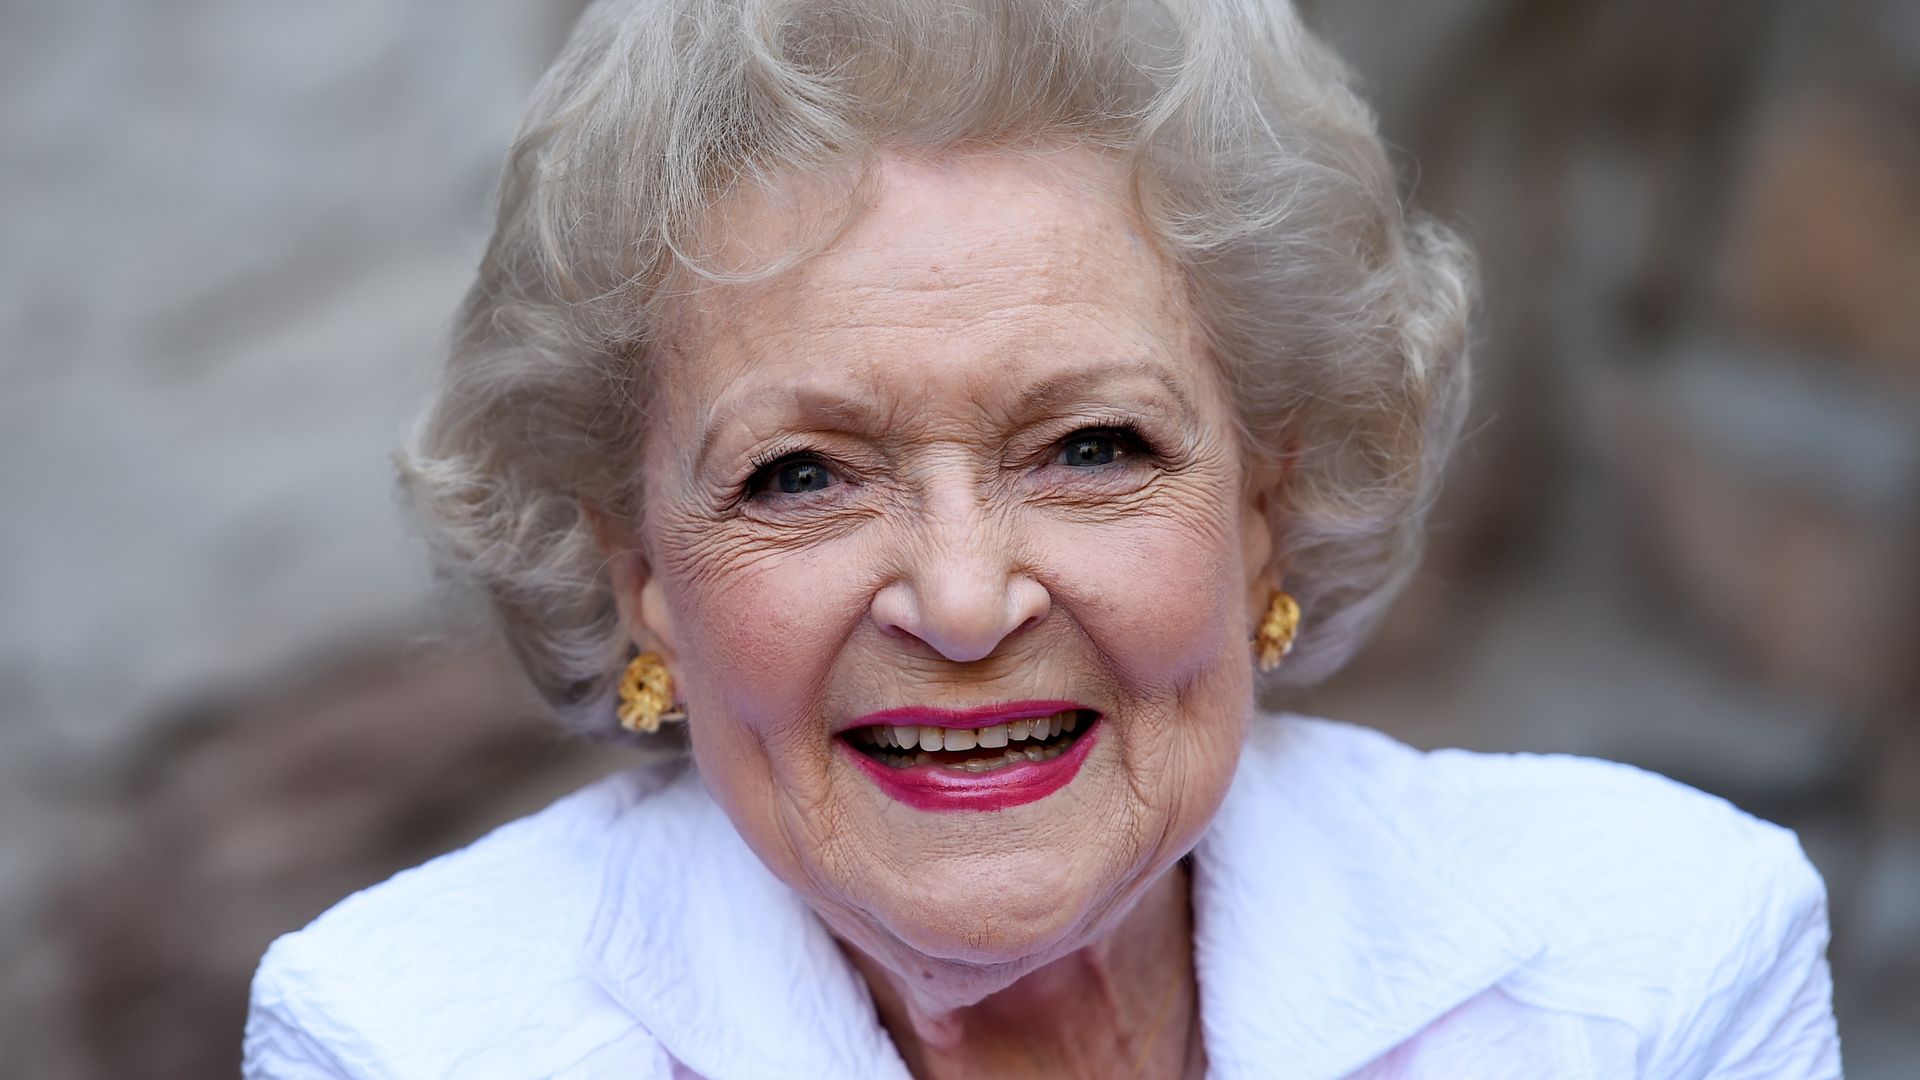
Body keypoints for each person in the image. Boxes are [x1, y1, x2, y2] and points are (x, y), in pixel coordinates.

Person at [242, 1, 1843, 1076]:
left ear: (1267, 514)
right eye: (801, 476)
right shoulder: (409, 1039)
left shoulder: (1653, 959)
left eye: (1092, 447)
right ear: (639, 576)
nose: (958, 596)